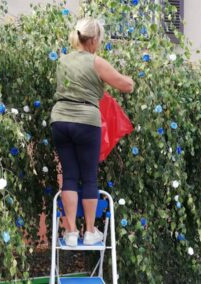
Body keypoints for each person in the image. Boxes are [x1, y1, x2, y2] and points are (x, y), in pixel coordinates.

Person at [50, 18, 134, 247]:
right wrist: (132, 81)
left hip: (59, 120)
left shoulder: (62, 61)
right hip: (86, 122)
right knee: (88, 177)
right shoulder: (96, 62)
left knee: (68, 176)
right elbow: (124, 85)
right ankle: (89, 232)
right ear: (95, 39)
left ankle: (70, 234)